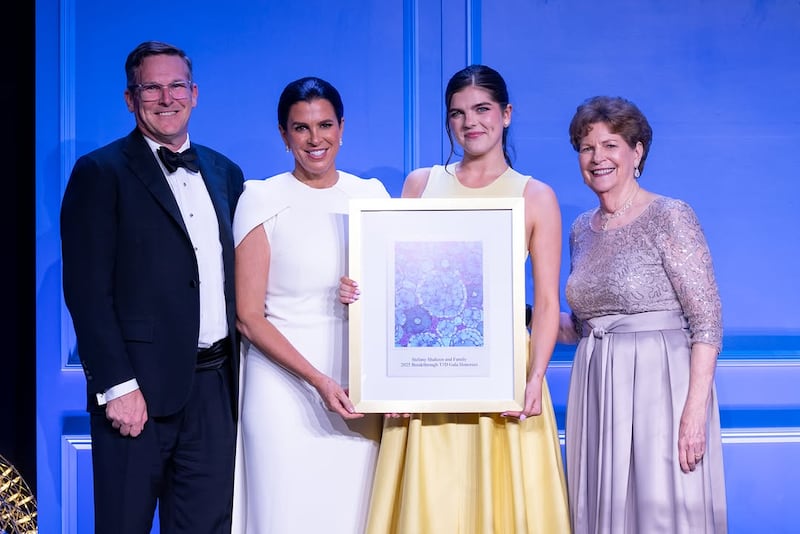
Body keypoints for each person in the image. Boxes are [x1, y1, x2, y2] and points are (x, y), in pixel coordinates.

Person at [340, 64, 571, 533]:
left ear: (506, 114)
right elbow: (397, 286)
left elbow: (547, 303)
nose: (470, 122)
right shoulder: (420, 184)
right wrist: (360, 290)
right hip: (425, 376)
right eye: (458, 113)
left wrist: (534, 378)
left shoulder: (536, 196)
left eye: (482, 109)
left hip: (504, 378)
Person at [60, 41, 244, 533]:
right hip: (136, 393)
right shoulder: (100, 172)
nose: (167, 98)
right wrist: (118, 387)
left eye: (177, 86)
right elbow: (86, 292)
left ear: (194, 93)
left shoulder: (225, 173)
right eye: (152, 88)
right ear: (130, 99)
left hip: (214, 392)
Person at [560, 95, 727, 533]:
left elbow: (707, 320)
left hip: (661, 389)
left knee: (661, 511)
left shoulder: (669, 215)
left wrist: (694, 413)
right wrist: (516, 314)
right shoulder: (581, 229)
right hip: (597, 389)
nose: (597, 158)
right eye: (587, 147)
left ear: (637, 153)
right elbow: (580, 326)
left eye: (610, 145)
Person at [231, 76, 390, 534]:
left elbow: (397, 295)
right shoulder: (261, 198)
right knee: (285, 514)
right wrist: (319, 381)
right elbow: (249, 317)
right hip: (281, 389)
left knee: (351, 516)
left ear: (342, 128)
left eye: (325, 125)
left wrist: (365, 292)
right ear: (284, 135)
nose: (315, 139)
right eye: (301, 128)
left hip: (355, 389)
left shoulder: (371, 196)